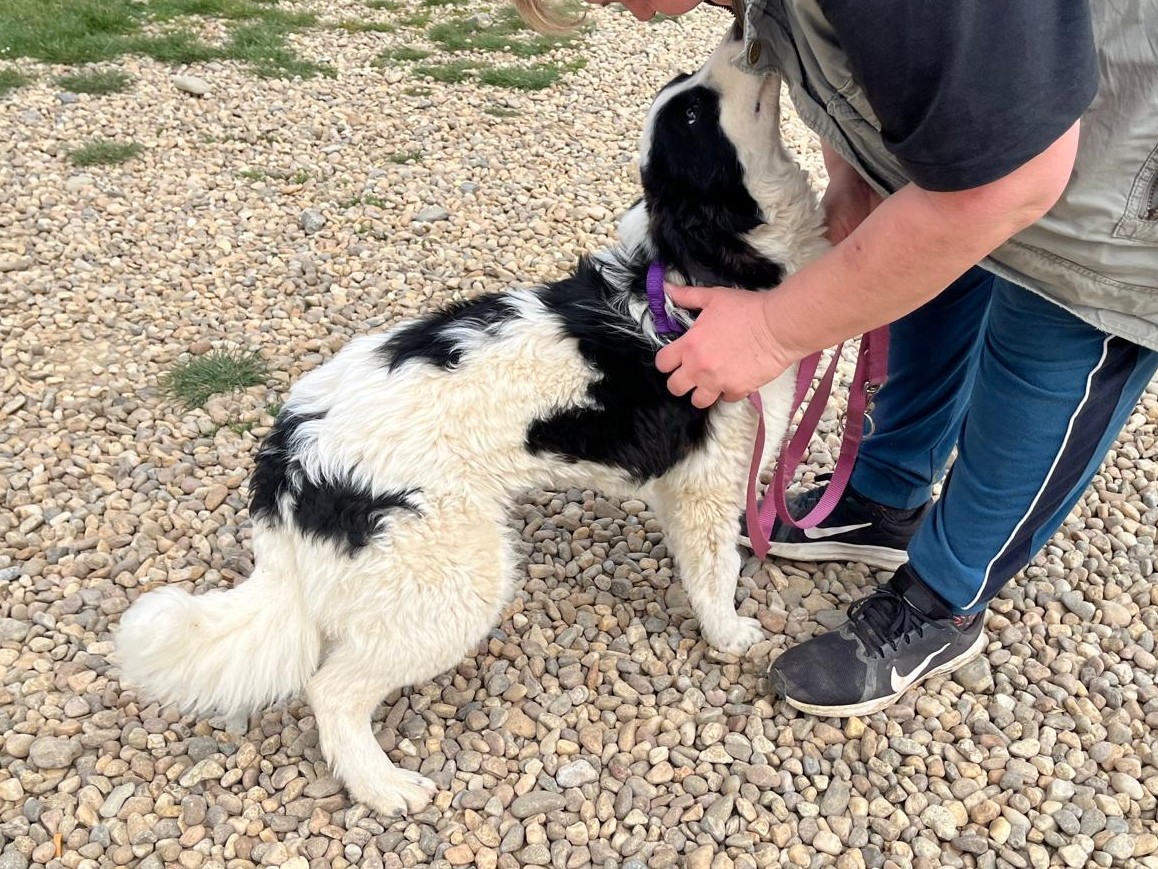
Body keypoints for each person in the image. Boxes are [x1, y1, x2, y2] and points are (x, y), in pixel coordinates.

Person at [517, 0, 1158, 717]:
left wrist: (771, 332)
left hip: (1128, 139)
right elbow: (876, 73)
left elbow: (1005, 187)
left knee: (1059, 322)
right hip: (1008, 96)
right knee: (925, 252)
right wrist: (858, 172)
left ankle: (945, 599)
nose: (632, 15)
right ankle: (885, 496)